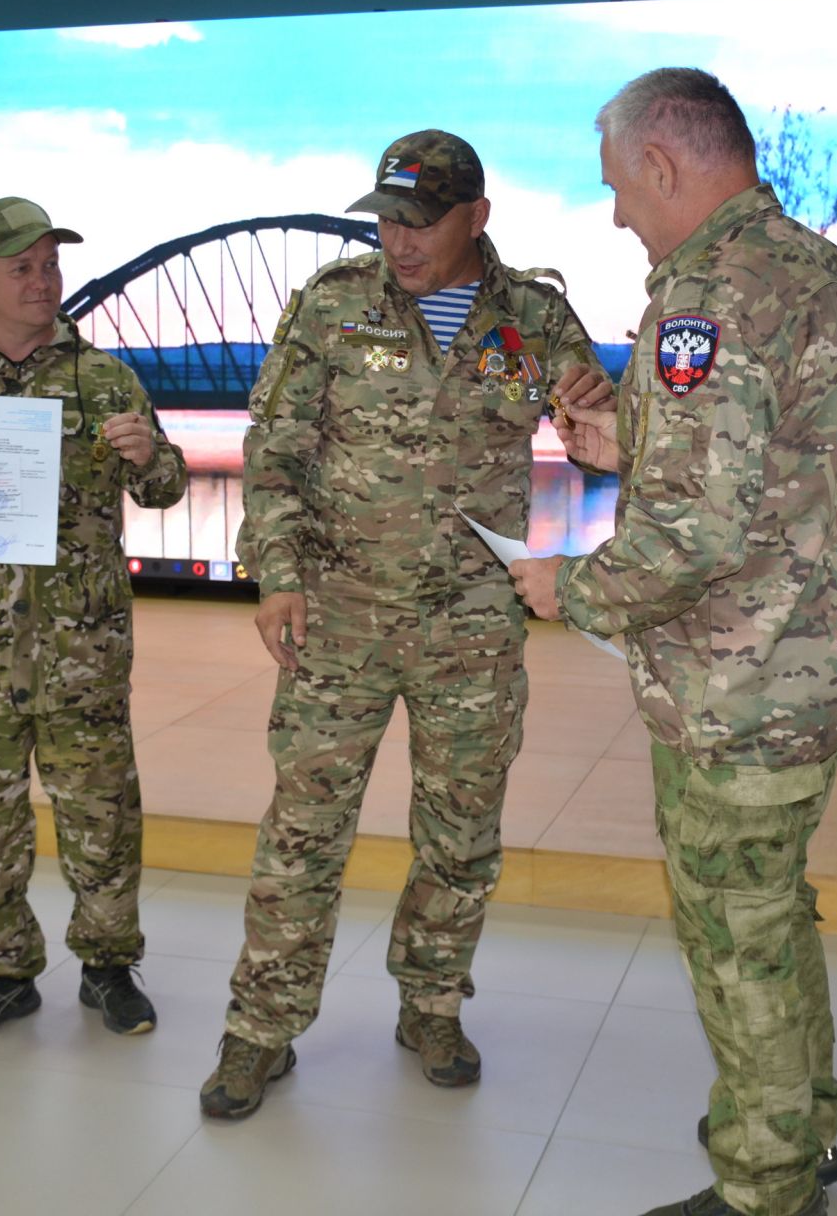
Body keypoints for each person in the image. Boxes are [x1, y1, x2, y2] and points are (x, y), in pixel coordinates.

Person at [510, 70, 837, 1216]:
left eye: (623, 188)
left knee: (736, 939)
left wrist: (566, 584)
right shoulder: (826, 275)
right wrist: (629, 446)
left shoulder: (703, 296)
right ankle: (801, 1126)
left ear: (666, 165)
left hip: (735, 690)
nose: (620, 213)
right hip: (809, 675)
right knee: (773, 912)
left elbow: (698, 534)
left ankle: (766, 1187)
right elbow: (782, 474)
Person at [198, 130, 615, 1119]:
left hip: (470, 619)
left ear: (477, 216)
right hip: (336, 612)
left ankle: (430, 1001)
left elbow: (598, 443)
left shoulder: (535, 317)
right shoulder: (333, 305)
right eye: (386, 217)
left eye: (421, 220)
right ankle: (261, 1025)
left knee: (460, 831)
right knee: (303, 828)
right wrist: (278, 574)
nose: (399, 237)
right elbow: (279, 443)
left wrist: (608, 424)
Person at [0, 196, 188, 1046]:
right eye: (23, 267)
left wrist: (149, 457)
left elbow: (165, 488)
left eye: (52, 264)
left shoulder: (104, 379)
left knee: (101, 810)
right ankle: (0, 973)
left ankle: (109, 966)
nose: (44, 281)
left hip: (82, 648)